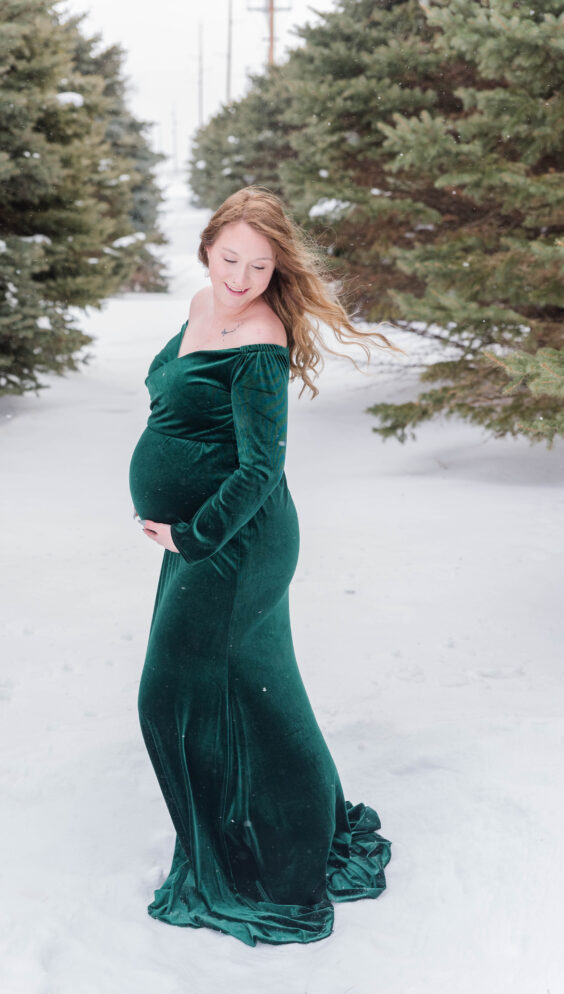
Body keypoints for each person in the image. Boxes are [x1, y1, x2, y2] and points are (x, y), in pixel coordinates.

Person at [128, 185, 396, 947]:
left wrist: (195, 534)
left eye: (258, 265)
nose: (240, 277)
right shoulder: (199, 302)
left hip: (236, 544)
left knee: (166, 699)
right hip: (208, 541)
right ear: (207, 249)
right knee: (261, 691)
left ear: (276, 269)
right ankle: (277, 836)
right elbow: (173, 400)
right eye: (229, 258)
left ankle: (256, 867)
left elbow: (259, 470)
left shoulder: (261, 338)